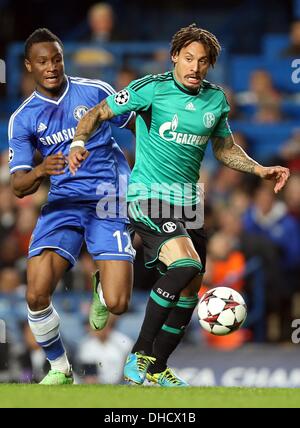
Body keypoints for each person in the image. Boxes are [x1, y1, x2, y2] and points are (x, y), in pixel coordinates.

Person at [69, 24, 290, 387]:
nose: (195, 67)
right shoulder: (151, 89)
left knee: (190, 288)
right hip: (148, 197)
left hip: (189, 206)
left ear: (210, 65)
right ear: (175, 57)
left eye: (203, 61)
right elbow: (97, 113)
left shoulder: (215, 100)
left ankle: (157, 367)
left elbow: (224, 148)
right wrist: (79, 142)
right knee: (186, 264)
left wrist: (260, 169)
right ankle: (139, 353)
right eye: (188, 58)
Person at [8, 28, 135, 385]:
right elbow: (18, 186)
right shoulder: (23, 118)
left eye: (57, 59)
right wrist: (40, 170)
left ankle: (101, 286)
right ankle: (60, 368)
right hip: (63, 202)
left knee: (119, 303)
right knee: (35, 291)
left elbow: (138, 122)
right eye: (43, 61)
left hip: (108, 198)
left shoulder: (95, 91)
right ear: (29, 65)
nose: (52, 67)